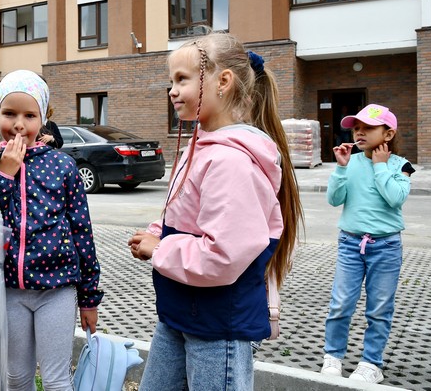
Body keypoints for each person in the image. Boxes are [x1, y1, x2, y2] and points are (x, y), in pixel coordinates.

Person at [128, 33, 303, 391]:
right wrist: (158, 232)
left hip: (217, 326)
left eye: (182, 79)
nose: (172, 91)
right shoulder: (201, 147)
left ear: (223, 81)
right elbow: (187, 216)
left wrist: (159, 249)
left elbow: (223, 254)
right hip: (181, 313)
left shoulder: (232, 161)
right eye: (171, 81)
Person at [0, 69, 102, 391]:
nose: (19, 124)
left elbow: (82, 233)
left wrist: (89, 299)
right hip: (9, 289)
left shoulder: (62, 165)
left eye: (29, 115)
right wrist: (3, 175)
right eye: (9, 113)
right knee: (17, 378)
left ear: (43, 118)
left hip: (58, 291)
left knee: (56, 381)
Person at [320, 104, 413, 383]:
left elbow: (395, 198)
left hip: (385, 247)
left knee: (379, 307)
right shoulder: (351, 163)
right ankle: (333, 356)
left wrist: (381, 166)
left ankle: (372, 363)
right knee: (341, 303)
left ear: (388, 133)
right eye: (355, 128)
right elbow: (334, 200)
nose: (358, 132)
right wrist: (340, 169)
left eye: (367, 128)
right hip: (350, 244)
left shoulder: (402, 166)